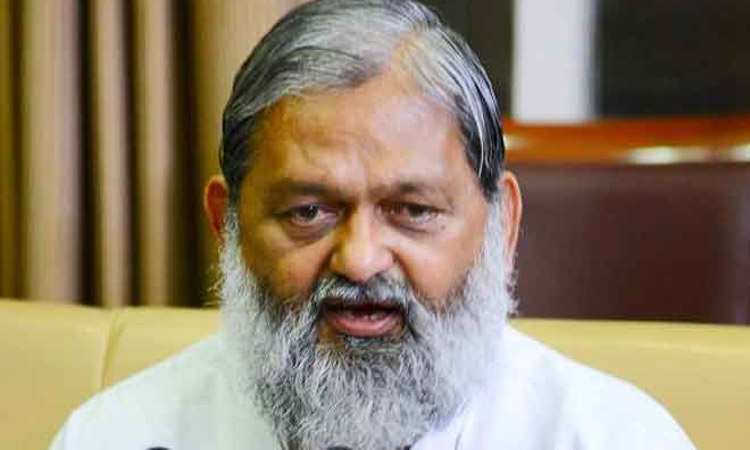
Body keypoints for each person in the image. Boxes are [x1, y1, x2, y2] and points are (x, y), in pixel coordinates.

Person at [50, 1, 695, 449]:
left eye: (412, 212)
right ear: (228, 226)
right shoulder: (115, 437)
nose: (359, 260)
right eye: (309, 212)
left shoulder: (610, 438)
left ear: (502, 226)